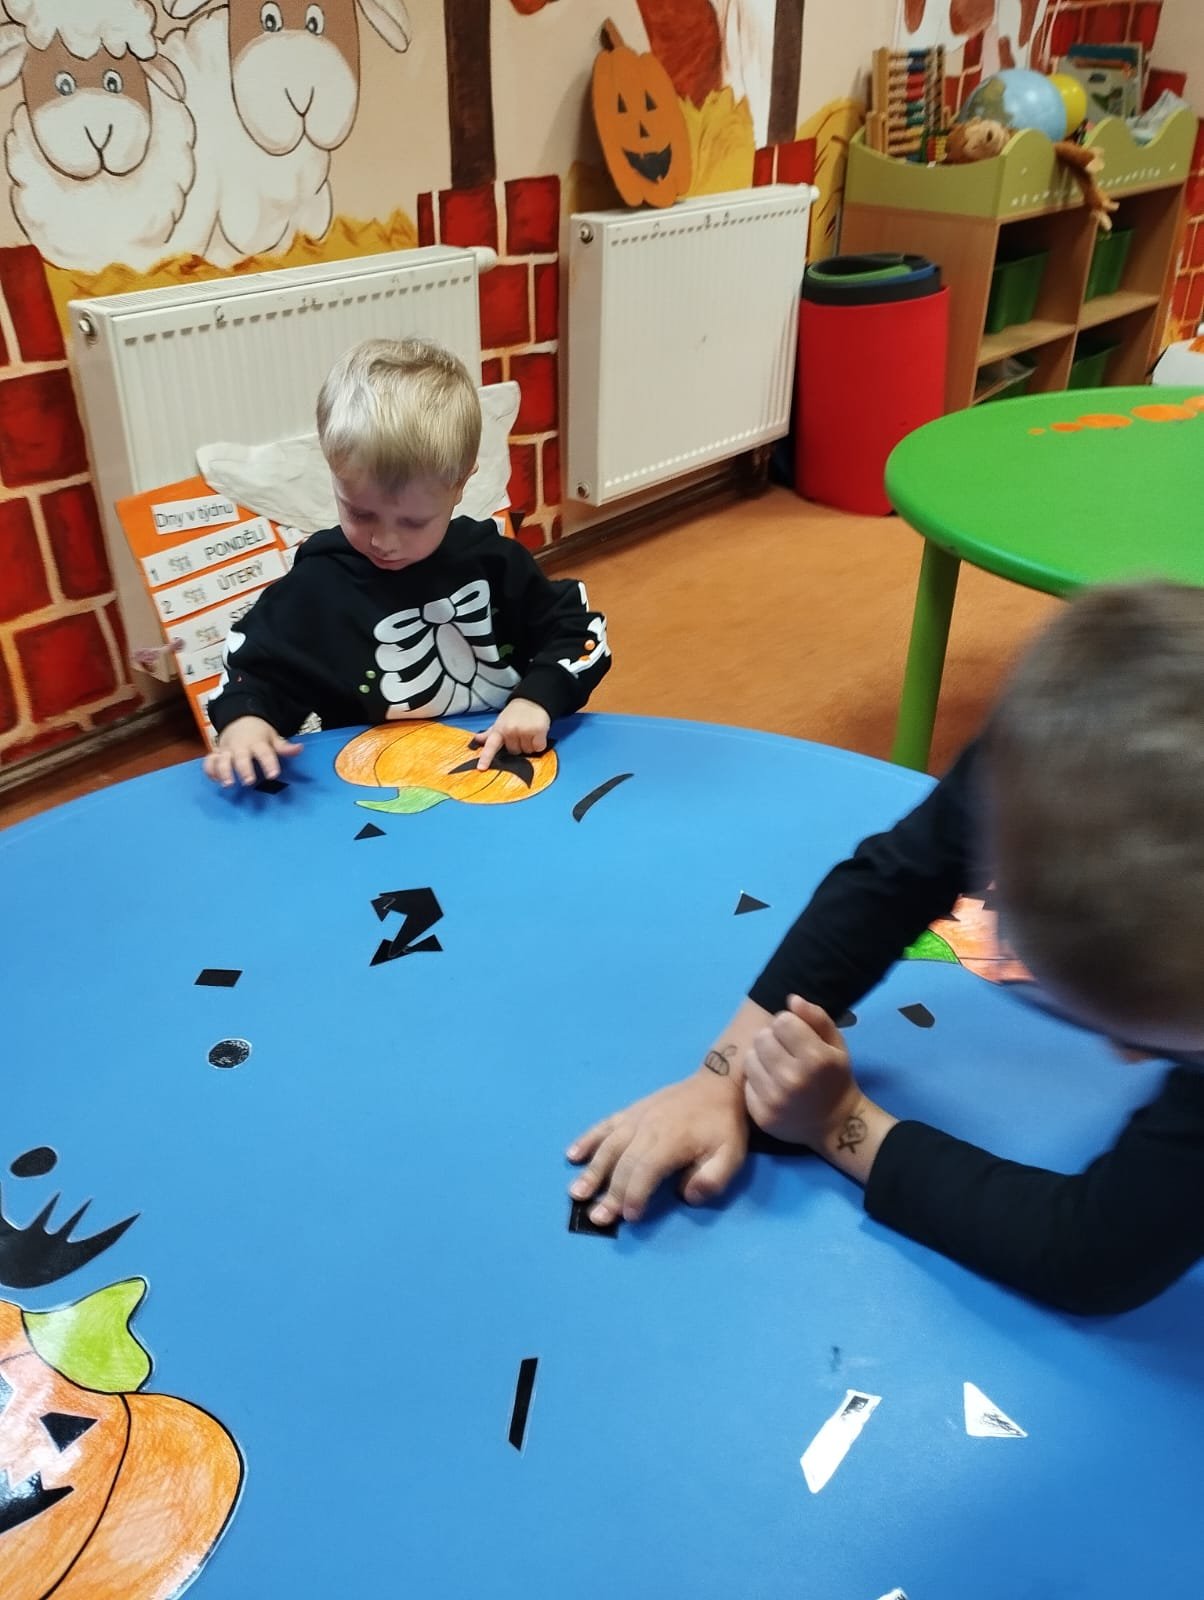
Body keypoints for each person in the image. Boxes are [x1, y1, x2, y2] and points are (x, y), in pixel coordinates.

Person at [568, 582, 1204, 1314]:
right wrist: (726, 1072)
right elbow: (897, 879)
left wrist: (840, 1123)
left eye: (1159, 1035)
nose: (1127, 1058)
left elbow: (1088, 1254)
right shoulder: (1056, 753)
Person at [203, 338, 610, 787]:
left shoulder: (494, 561)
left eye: (414, 522)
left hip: (505, 766)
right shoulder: (315, 584)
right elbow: (255, 671)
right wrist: (246, 721)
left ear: (461, 484)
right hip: (367, 784)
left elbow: (577, 632)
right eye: (360, 513)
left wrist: (536, 699)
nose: (384, 542)